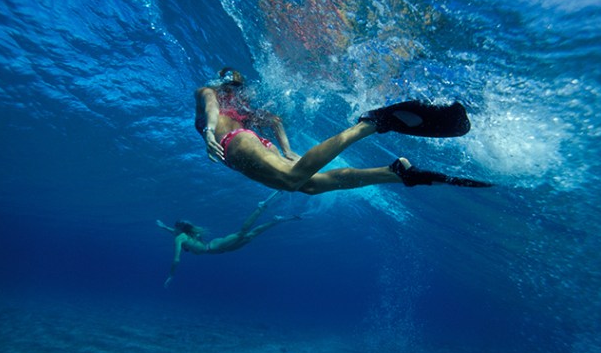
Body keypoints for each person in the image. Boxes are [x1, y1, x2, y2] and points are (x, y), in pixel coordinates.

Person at [195, 67, 491, 194]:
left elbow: (209, 106)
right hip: (248, 145)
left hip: (236, 144)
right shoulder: (238, 108)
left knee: (291, 178)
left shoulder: (209, 93)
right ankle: (395, 172)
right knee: (309, 185)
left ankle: (371, 124)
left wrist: (210, 132)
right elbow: (274, 121)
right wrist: (284, 149)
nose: (236, 89)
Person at [156, 191, 299, 288]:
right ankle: (276, 221)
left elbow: (176, 260)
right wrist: (164, 228)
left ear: (179, 229)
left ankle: (261, 207)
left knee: (243, 232)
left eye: (175, 229)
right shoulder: (183, 235)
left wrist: (171, 275)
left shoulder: (179, 238)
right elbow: (174, 232)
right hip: (220, 249)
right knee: (250, 236)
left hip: (215, 246)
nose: (174, 231)